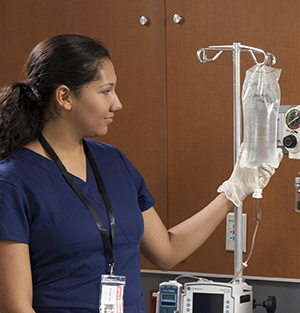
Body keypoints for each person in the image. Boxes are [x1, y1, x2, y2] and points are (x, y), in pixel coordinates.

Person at [0, 34, 283, 313]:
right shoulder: (12, 181)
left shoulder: (113, 162)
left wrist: (232, 191)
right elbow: (15, 306)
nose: (117, 103)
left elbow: (167, 252)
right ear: (65, 96)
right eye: (105, 91)